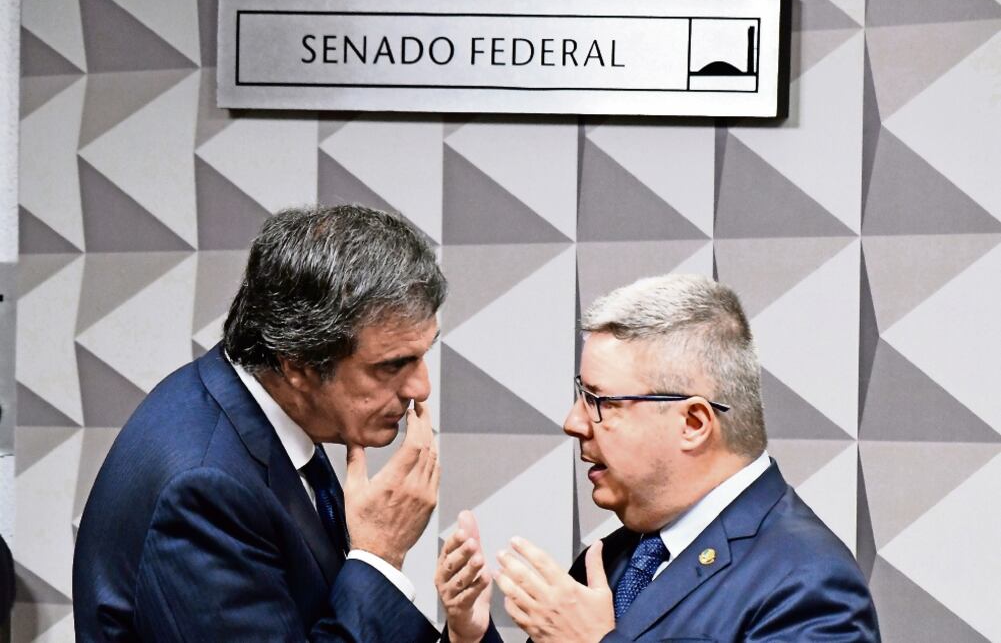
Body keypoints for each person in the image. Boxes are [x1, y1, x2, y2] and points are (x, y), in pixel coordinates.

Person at [436, 274, 880, 642]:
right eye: (581, 395)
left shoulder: (809, 585)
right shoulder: (613, 558)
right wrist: (470, 636)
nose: (574, 422)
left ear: (693, 423)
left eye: (601, 402)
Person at [73, 205, 445, 641]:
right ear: (299, 364)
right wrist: (380, 556)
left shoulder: (269, 414)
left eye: (422, 355)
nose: (421, 387)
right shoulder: (204, 489)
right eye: (393, 364)